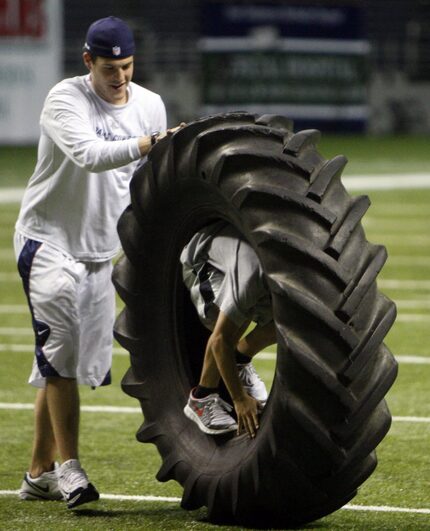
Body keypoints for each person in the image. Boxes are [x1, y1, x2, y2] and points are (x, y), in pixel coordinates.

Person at [15, 16, 182, 509]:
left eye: (127, 66)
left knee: (64, 363)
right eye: (110, 68)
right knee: (62, 352)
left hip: (98, 252)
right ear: (88, 61)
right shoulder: (64, 99)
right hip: (48, 241)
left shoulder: (150, 104)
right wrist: (153, 142)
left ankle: (38, 472)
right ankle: (71, 471)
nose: (120, 77)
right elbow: (90, 155)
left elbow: (147, 180)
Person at [180, 221, 276, 439]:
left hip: (241, 260)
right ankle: (202, 397)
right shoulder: (251, 277)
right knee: (231, 323)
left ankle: (240, 359)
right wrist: (240, 399)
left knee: (287, 319)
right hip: (202, 260)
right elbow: (219, 340)